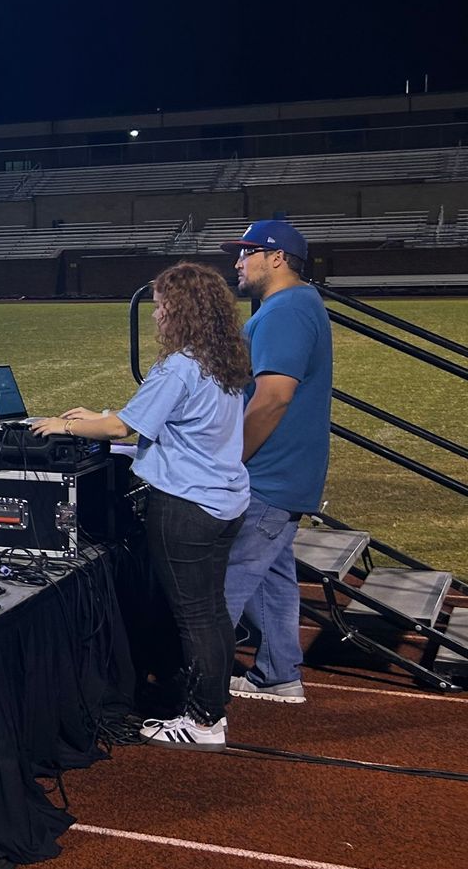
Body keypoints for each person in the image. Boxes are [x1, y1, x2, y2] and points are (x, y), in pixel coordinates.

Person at [32, 261, 252, 750]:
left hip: (186, 505)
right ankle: (210, 703)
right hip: (225, 501)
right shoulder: (222, 361)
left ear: (182, 310)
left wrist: (65, 425)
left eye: (161, 306)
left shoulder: (179, 366)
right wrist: (101, 414)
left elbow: (122, 429)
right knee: (212, 609)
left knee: (193, 616)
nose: (155, 315)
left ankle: (203, 720)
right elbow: (160, 419)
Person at [220, 219, 332, 704]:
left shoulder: (285, 311)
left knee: (221, 583)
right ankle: (279, 673)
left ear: (278, 258)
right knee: (271, 577)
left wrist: (230, 461)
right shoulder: (299, 303)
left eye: (247, 253)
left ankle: (195, 697)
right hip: (286, 474)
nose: (238, 263)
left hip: (267, 475)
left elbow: (272, 398)